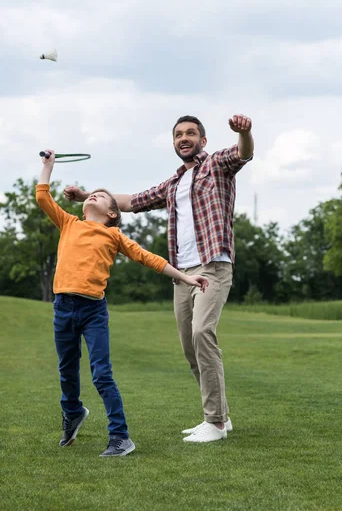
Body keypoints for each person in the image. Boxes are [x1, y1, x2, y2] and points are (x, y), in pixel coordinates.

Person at [64, 114, 254, 443]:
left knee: (202, 333)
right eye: (179, 134)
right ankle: (219, 414)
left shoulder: (216, 166)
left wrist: (246, 132)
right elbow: (132, 201)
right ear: (173, 142)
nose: (184, 138)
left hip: (213, 266)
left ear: (202, 141)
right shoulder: (173, 184)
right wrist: (86, 197)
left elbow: (243, 153)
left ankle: (216, 423)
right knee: (190, 347)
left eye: (191, 133)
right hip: (183, 275)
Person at [36, 149, 209, 457]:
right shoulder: (69, 223)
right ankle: (73, 412)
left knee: (102, 374)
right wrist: (47, 167)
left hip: (93, 311)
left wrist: (185, 277)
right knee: (66, 370)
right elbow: (42, 198)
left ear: (112, 213)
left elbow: (149, 258)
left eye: (101, 197)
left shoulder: (114, 237)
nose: (94, 197)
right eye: (92, 195)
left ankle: (120, 437)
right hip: (63, 307)